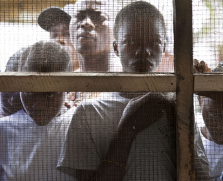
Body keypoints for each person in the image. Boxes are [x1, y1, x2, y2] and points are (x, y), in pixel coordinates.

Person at [58, 2, 176, 181]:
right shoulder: (88, 113)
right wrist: (129, 127)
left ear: (164, 47)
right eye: (130, 42)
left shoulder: (175, 106)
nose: (143, 52)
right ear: (115, 48)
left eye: (154, 42)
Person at [0, 41, 76, 180]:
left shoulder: (78, 126)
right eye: (29, 92)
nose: (39, 105)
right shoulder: (4, 130)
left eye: (50, 94)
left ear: (68, 88)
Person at [67, 0, 119, 72]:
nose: (86, 23)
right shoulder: (65, 81)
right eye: (79, 16)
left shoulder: (130, 79)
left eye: (99, 18)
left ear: (118, 29)